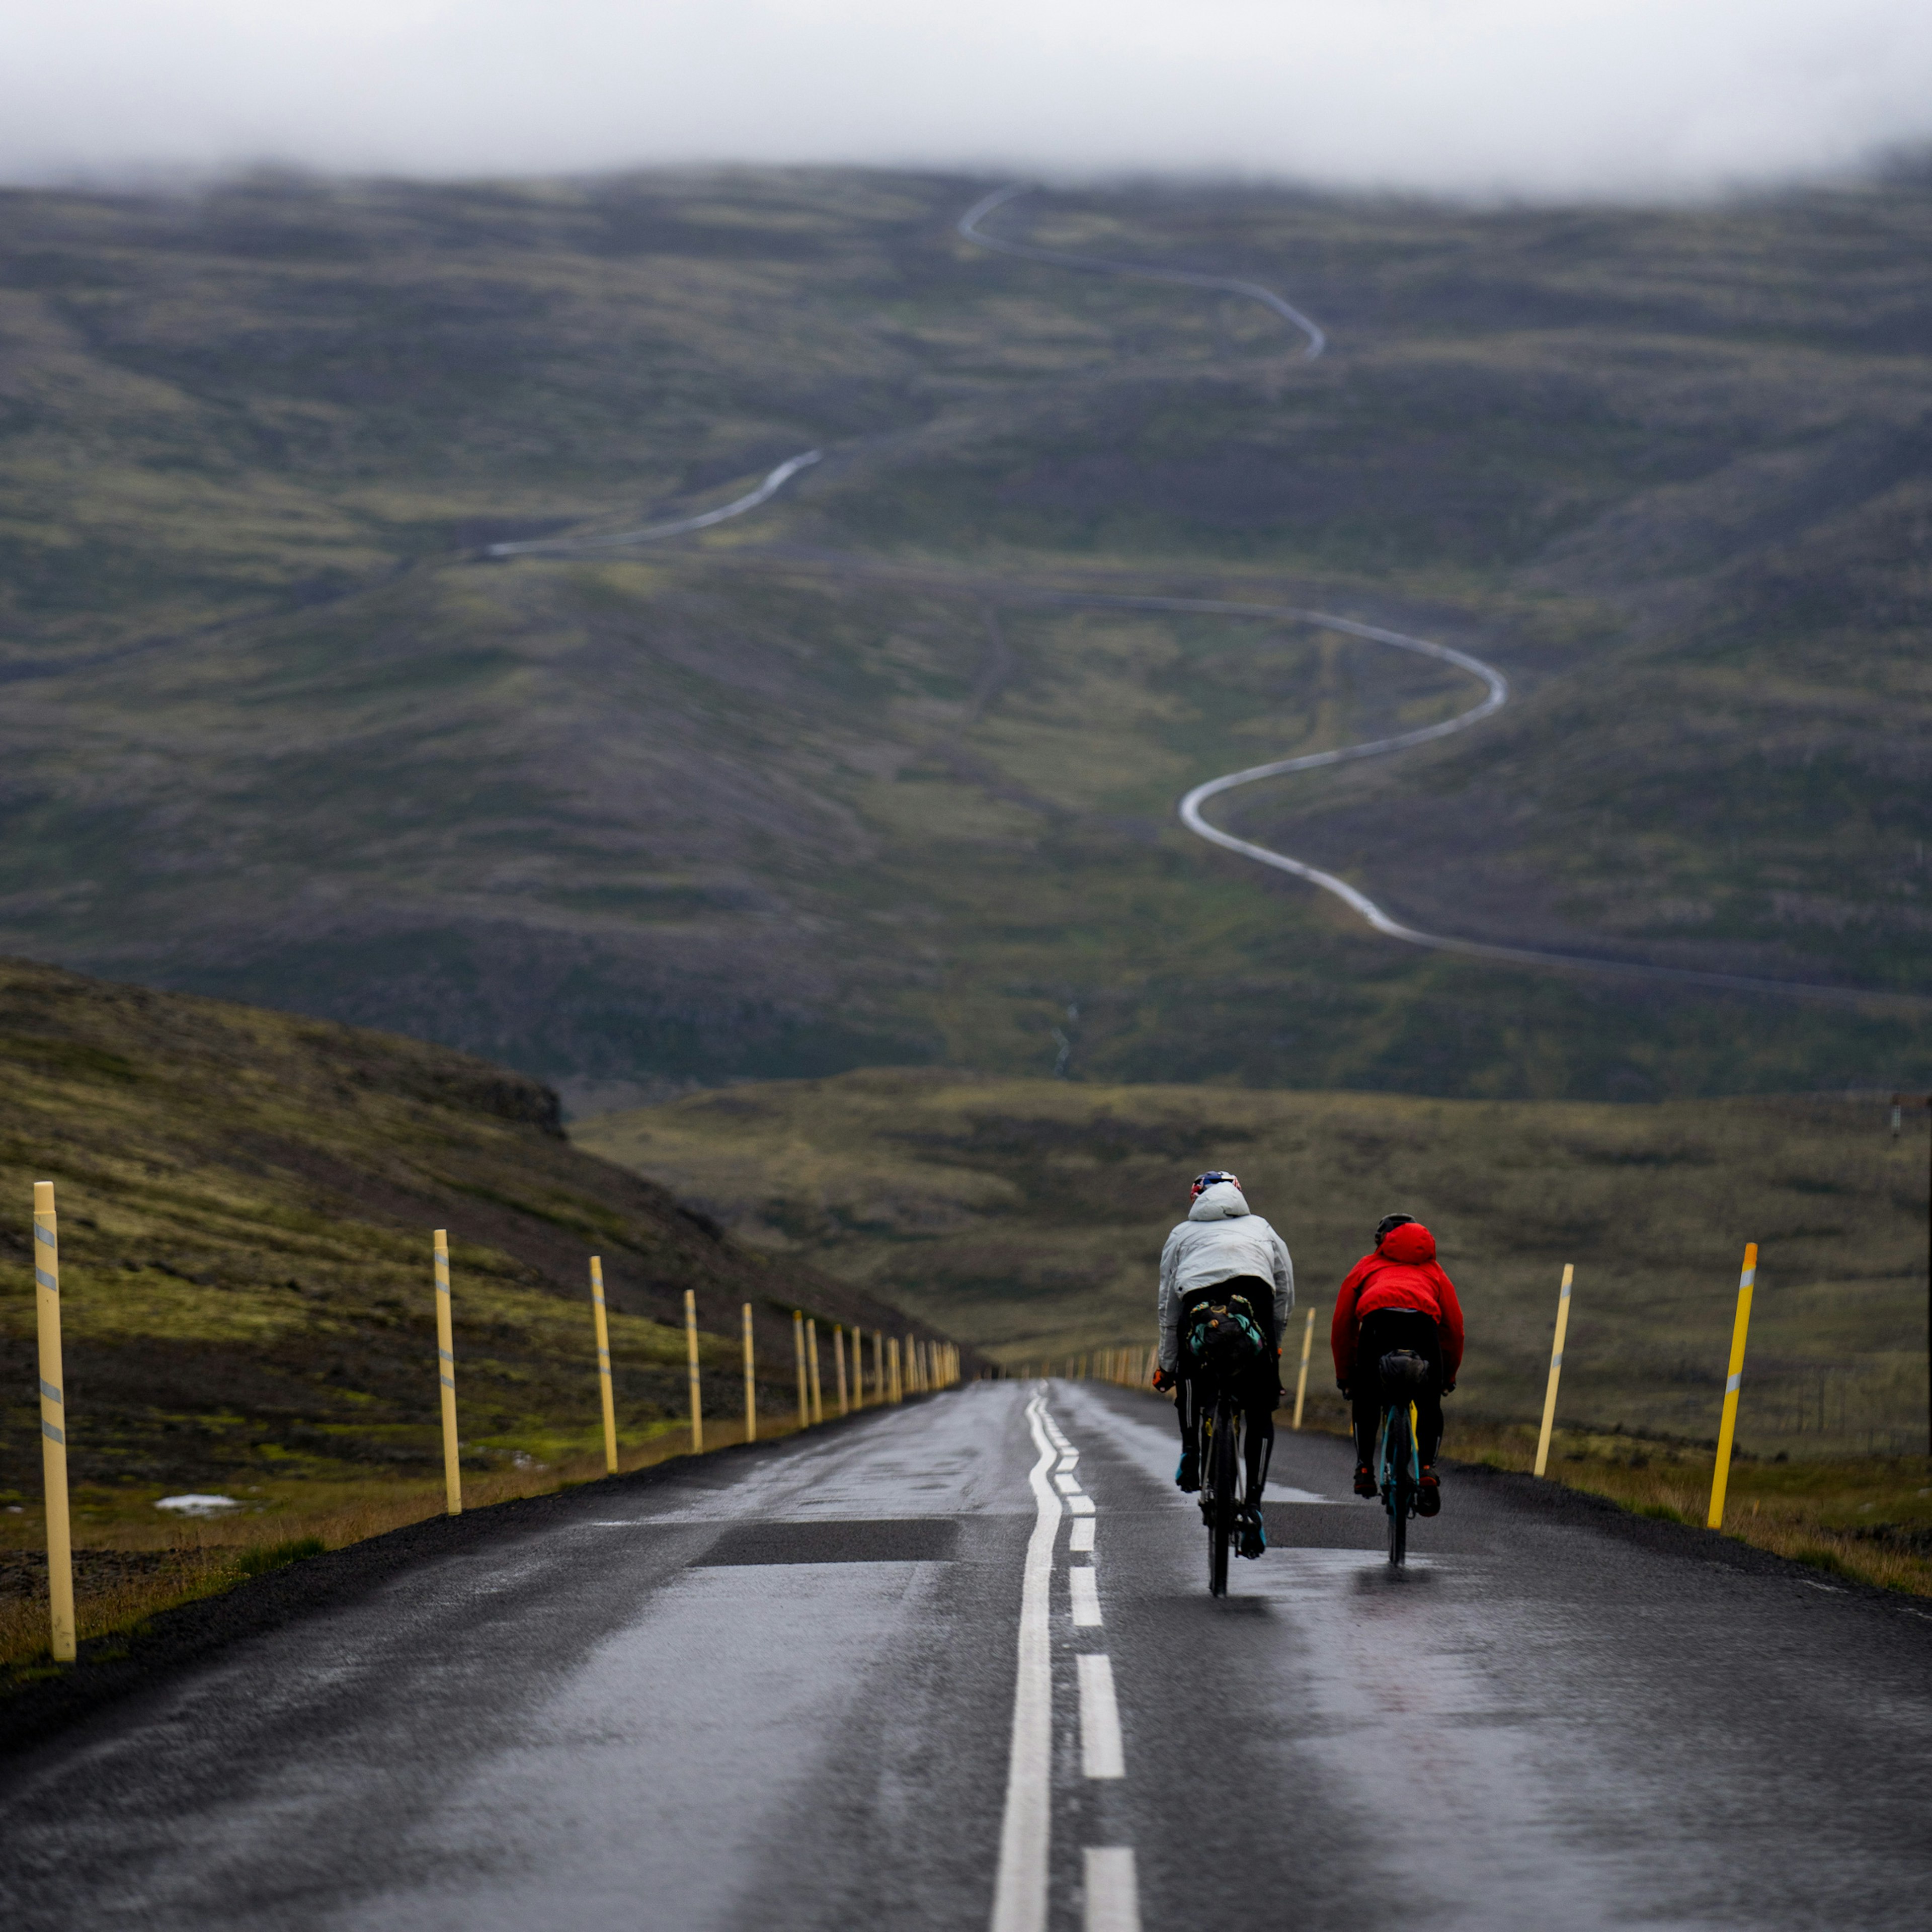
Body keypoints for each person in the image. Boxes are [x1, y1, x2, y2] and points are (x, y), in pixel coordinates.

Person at [1152, 1171, 1293, 1556]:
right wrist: (1272, 1354)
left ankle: (1192, 1453)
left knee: (1190, 1373)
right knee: (1260, 1409)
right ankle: (1255, 1507)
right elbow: (1283, 1293)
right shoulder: (1263, 1228)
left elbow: (1169, 1306)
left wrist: (1167, 1366)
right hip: (1255, 1308)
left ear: (1196, 1199)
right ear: (1238, 1195)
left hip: (1199, 1307)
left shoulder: (1181, 1234)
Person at [1330, 1213, 1465, 1515]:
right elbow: (1454, 1329)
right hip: (1423, 1326)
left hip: (1378, 1323)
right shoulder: (1435, 1271)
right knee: (1429, 1402)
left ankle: (1365, 1469)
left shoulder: (1367, 1266)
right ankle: (1427, 1467)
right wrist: (1446, 1377)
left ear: (1383, 1241)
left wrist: (1346, 1376)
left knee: (1366, 1395)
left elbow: (1343, 1323)